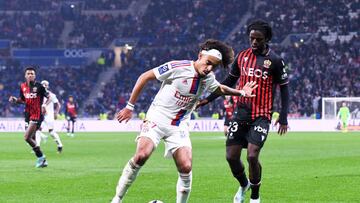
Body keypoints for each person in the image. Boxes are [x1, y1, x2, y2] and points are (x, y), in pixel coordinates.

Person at [111, 39, 258, 203]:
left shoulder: (208, 77)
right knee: (141, 156)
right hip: (157, 118)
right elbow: (145, 76)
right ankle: (117, 199)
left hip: (179, 125)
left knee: (186, 167)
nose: (209, 69)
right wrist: (129, 107)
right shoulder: (177, 67)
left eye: (214, 67)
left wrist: (241, 92)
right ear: (200, 55)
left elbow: (220, 88)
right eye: (208, 63)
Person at [197, 20, 289, 203]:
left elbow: (284, 88)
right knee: (231, 157)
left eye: (258, 39)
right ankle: (244, 184)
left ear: (266, 39)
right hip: (241, 113)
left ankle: (255, 196)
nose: (254, 42)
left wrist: (284, 117)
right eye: (251, 38)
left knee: (252, 155)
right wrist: (208, 99)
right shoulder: (242, 57)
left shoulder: (276, 61)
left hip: (261, 115)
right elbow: (228, 82)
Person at [8, 66, 50, 168]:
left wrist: (44, 105)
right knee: (31, 138)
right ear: (25, 75)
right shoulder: (22, 86)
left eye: (32, 73)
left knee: (27, 137)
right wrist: (15, 100)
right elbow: (23, 100)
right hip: (28, 114)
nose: (30, 75)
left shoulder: (39, 86)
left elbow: (49, 97)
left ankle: (42, 158)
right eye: (28, 73)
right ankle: (41, 158)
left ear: (35, 76)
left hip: (37, 115)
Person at [35, 80, 63, 153]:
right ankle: (37, 147)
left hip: (49, 116)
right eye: (43, 85)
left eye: (45, 85)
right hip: (40, 115)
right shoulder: (37, 95)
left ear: (47, 86)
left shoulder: (51, 95)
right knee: (37, 130)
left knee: (51, 132)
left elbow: (58, 105)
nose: (44, 86)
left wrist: (56, 113)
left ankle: (60, 145)